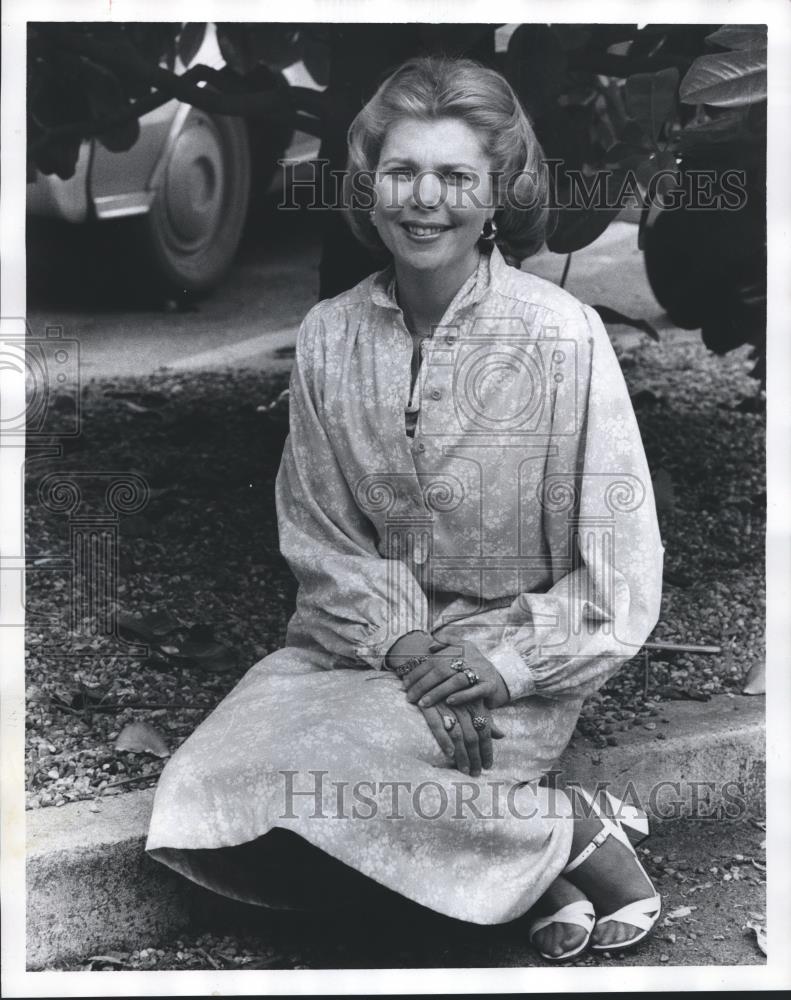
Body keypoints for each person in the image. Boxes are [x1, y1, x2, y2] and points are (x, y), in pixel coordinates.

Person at [146, 55, 665, 962]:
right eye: (401, 171)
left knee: (318, 782)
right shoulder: (328, 335)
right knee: (203, 782)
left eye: (456, 175)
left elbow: (618, 563)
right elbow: (318, 530)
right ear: (369, 183)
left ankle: (538, 844)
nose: (425, 199)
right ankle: (550, 849)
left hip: (504, 663)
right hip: (360, 647)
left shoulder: (560, 335)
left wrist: (499, 660)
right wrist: (401, 640)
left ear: (498, 192)